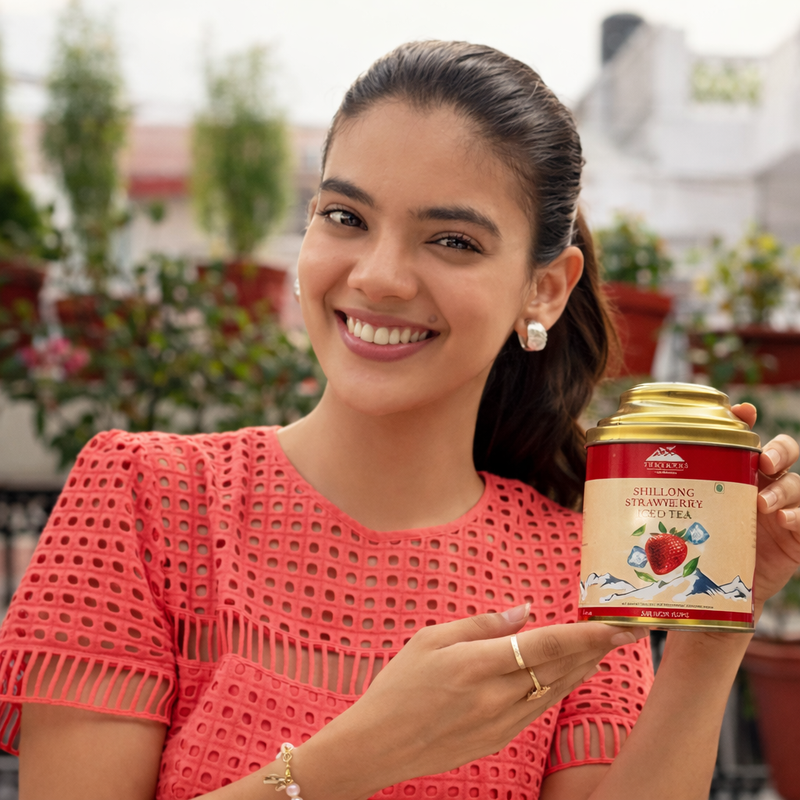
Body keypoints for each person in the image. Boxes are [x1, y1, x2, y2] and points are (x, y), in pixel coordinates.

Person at [3, 40, 799, 800]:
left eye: (451, 240)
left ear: (546, 289)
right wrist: (369, 751)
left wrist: (713, 629)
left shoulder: (576, 564)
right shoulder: (147, 497)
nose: (378, 277)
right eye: (345, 217)